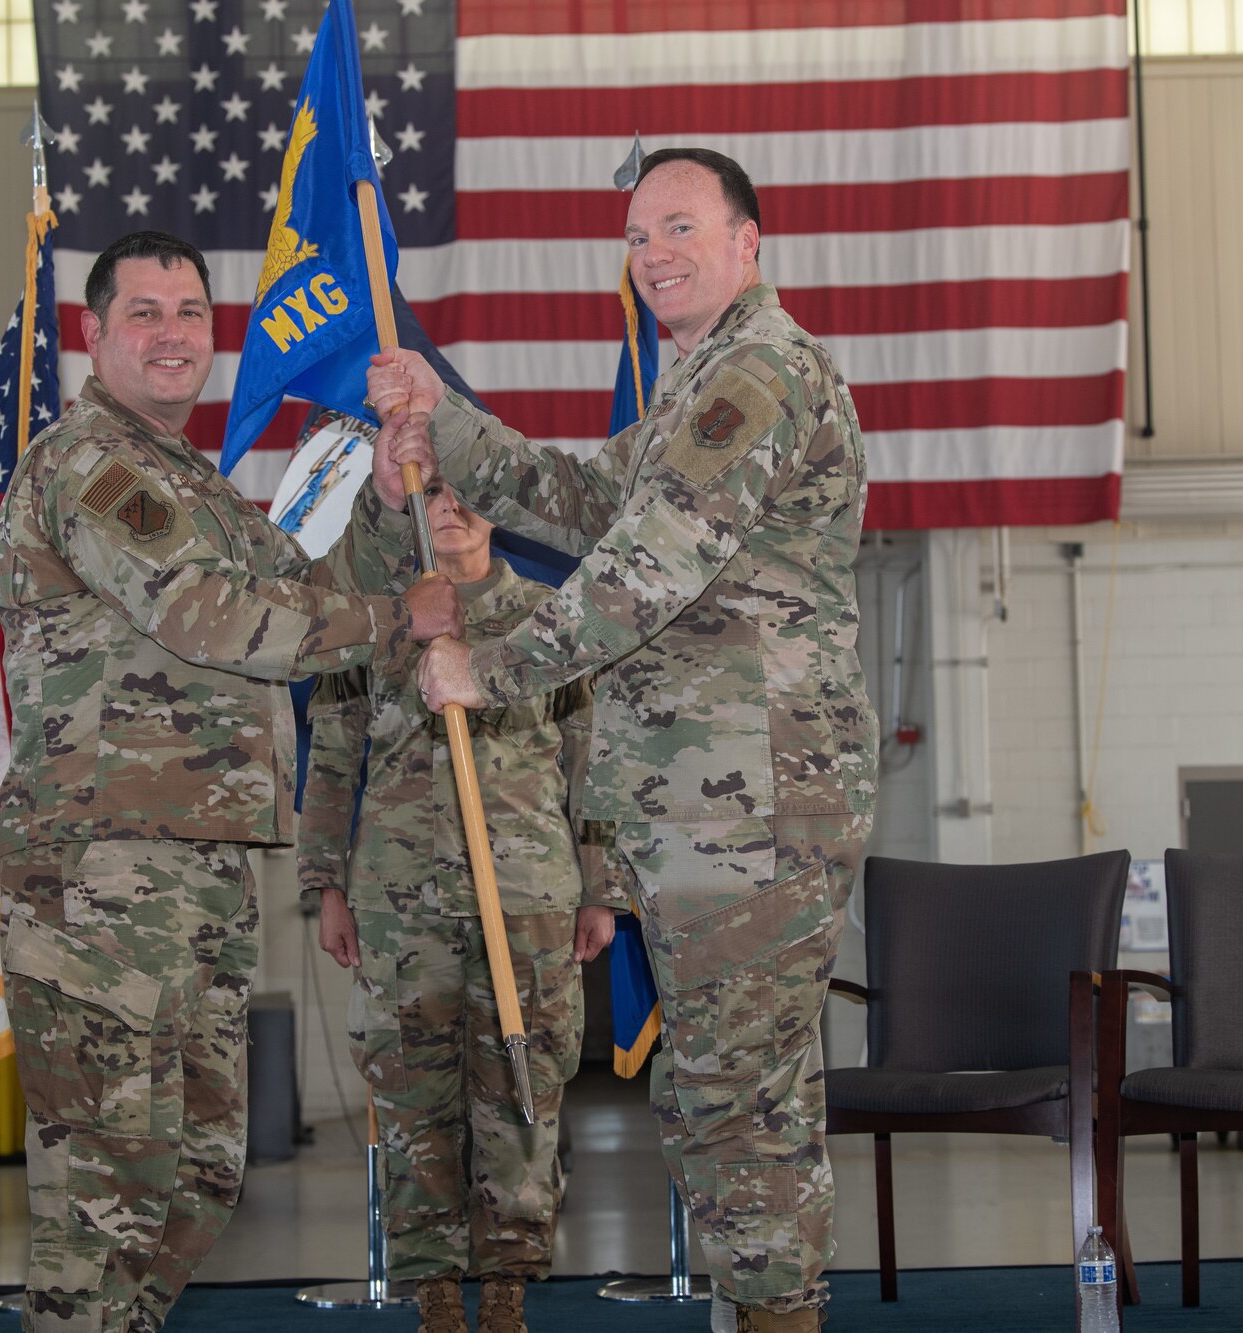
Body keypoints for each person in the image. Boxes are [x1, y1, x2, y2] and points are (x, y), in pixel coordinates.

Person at [361, 149, 877, 1332]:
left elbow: (644, 570)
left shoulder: (754, 373)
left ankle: (774, 1317)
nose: (652, 254)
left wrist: (485, 668)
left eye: (681, 227)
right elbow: (596, 510)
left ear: (749, 242)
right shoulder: (696, 384)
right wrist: (450, 422)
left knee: (736, 1102)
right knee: (718, 1097)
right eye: (638, 234)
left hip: (753, 802)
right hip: (703, 801)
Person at [0, 229, 461, 1333]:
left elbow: (301, 587)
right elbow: (217, 617)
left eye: (191, 313)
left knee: (194, 1176)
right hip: (105, 872)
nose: (171, 334)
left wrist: (392, 513)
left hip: (190, 871)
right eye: (143, 313)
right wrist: (399, 620)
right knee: (107, 1193)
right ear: (91, 334)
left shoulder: (189, 484)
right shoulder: (91, 467)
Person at [300, 476, 624, 1333]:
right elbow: (331, 759)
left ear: (500, 507)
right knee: (413, 1094)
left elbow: (594, 761)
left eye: (469, 490)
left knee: (523, 1085)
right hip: (399, 899)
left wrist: (602, 888)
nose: (450, 506)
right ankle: (436, 1285)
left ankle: (510, 1281)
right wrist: (324, 885)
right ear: (409, 505)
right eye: (431, 490)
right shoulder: (378, 616)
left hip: (526, 896)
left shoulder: (551, 614)